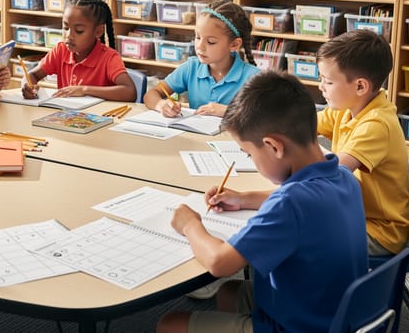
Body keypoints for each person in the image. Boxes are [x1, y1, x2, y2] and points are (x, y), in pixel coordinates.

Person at [156, 72, 368, 333]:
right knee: (230, 293)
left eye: (249, 154)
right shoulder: (344, 176)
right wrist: (243, 199)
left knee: (170, 324)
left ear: (273, 146)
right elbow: (307, 201)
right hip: (334, 310)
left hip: (304, 325)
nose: (252, 162)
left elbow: (220, 263)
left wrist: (190, 225)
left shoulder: (288, 204)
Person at [316, 29, 409, 256]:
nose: (320, 86)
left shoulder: (376, 124)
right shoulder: (348, 108)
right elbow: (303, 123)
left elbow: (334, 171)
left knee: (295, 235)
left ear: (360, 86)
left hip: (379, 231)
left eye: (328, 81)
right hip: (354, 211)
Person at [144, 0, 259, 117]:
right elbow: (151, 94)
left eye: (211, 42)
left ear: (234, 45)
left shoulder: (253, 78)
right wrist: (161, 104)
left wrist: (227, 111)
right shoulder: (191, 68)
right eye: (197, 37)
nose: (199, 46)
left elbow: (269, 116)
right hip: (193, 135)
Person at [22, 0, 136, 102]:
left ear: (98, 31)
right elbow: (32, 74)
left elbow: (130, 92)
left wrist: (84, 90)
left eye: (79, 31)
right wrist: (28, 86)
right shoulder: (61, 50)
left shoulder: (109, 57)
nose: (69, 35)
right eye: (65, 28)